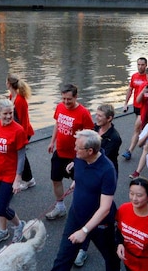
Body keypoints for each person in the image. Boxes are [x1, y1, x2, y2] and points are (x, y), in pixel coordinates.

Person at [51, 130, 120, 271]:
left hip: (100, 224)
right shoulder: (80, 158)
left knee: (111, 258)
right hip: (76, 216)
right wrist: (77, 182)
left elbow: (105, 208)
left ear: (90, 151)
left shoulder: (108, 170)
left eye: (78, 147)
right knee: (63, 258)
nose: (74, 149)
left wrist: (84, 231)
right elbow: (83, 173)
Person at [75, 104, 123, 267]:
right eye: (96, 115)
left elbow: (99, 158)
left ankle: (101, 232)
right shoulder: (95, 129)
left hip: (104, 175)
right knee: (93, 207)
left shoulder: (114, 138)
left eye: (100, 116)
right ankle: (85, 245)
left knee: (101, 207)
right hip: (90, 171)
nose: (97, 118)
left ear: (109, 118)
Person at [46, 83, 95, 221]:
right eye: (64, 99)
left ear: (76, 97)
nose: (66, 102)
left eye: (69, 99)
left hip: (76, 156)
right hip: (60, 152)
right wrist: (52, 142)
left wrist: (82, 157)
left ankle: (82, 211)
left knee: (80, 185)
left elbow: (90, 135)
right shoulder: (60, 107)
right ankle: (60, 207)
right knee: (56, 180)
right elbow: (57, 124)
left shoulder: (84, 113)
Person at [0, 97, 28, 246]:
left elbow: (22, 156)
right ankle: (3, 231)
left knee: (2, 207)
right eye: (5, 113)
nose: (9, 116)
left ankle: (18, 225)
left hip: (10, 174)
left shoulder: (18, 130)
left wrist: (18, 178)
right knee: (0, 203)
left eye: (10, 113)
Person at [115, 177, 148, 271]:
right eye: (131, 193)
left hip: (147, 267)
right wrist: (120, 244)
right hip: (128, 262)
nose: (134, 198)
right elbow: (119, 230)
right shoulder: (124, 209)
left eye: (139, 195)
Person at [7, 74, 36, 190]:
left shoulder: (20, 100)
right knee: (19, 155)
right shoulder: (11, 96)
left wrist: (22, 137)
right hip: (16, 132)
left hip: (23, 132)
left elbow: (24, 120)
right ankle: (25, 179)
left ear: (9, 84)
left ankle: (29, 180)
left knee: (20, 156)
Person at [121, 57, 148, 161]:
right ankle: (144, 141)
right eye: (138, 64)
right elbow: (130, 90)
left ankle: (130, 151)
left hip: (145, 107)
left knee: (137, 128)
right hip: (136, 106)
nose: (140, 67)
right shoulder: (134, 76)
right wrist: (125, 103)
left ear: (146, 65)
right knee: (141, 127)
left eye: (142, 65)